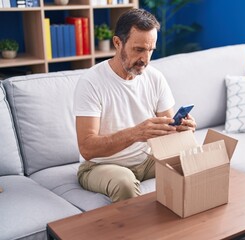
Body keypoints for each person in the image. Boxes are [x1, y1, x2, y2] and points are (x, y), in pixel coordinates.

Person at [73, 8, 196, 203]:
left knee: (192, 160)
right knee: (124, 182)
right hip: (100, 165)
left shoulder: (155, 78)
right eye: (138, 49)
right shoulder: (91, 82)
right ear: (117, 43)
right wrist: (136, 133)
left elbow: (169, 132)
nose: (145, 59)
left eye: (150, 50)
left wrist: (182, 129)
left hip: (145, 160)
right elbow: (87, 148)